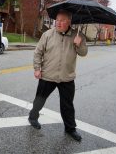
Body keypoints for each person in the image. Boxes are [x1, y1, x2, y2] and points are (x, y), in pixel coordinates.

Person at [28, 10, 88, 141]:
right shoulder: (47, 34)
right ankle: (33, 116)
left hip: (67, 77)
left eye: (62, 20)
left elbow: (84, 53)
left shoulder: (77, 36)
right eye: (57, 20)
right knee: (40, 99)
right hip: (48, 75)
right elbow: (38, 52)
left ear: (69, 22)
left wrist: (79, 44)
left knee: (67, 105)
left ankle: (70, 129)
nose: (58, 23)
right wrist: (37, 68)